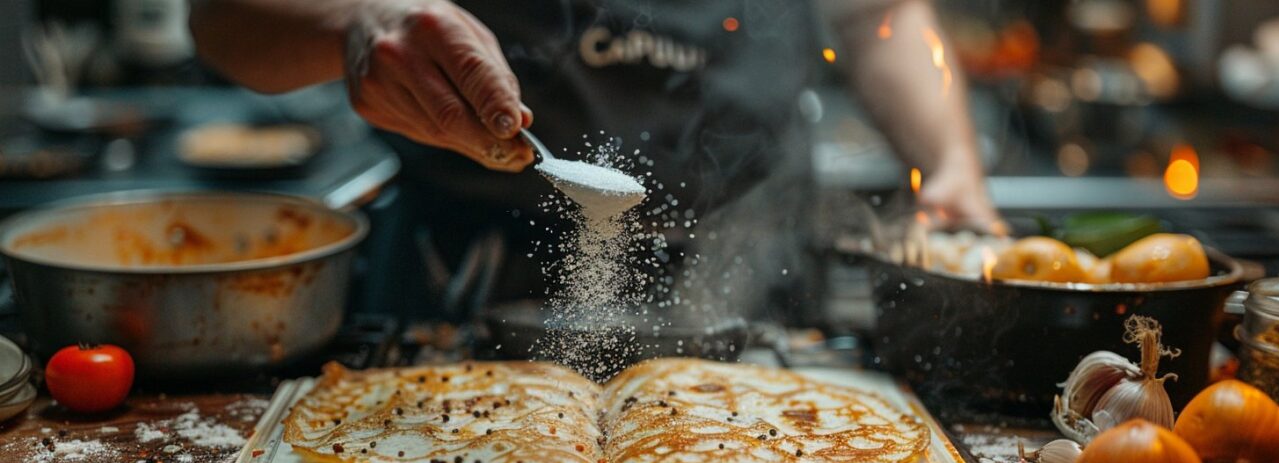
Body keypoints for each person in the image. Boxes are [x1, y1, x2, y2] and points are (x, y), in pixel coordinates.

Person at [190, 0, 999, 318]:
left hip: (756, 289)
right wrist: (352, 26)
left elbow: (879, 15)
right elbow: (222, 22)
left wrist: (951, 163)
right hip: (464, 294)